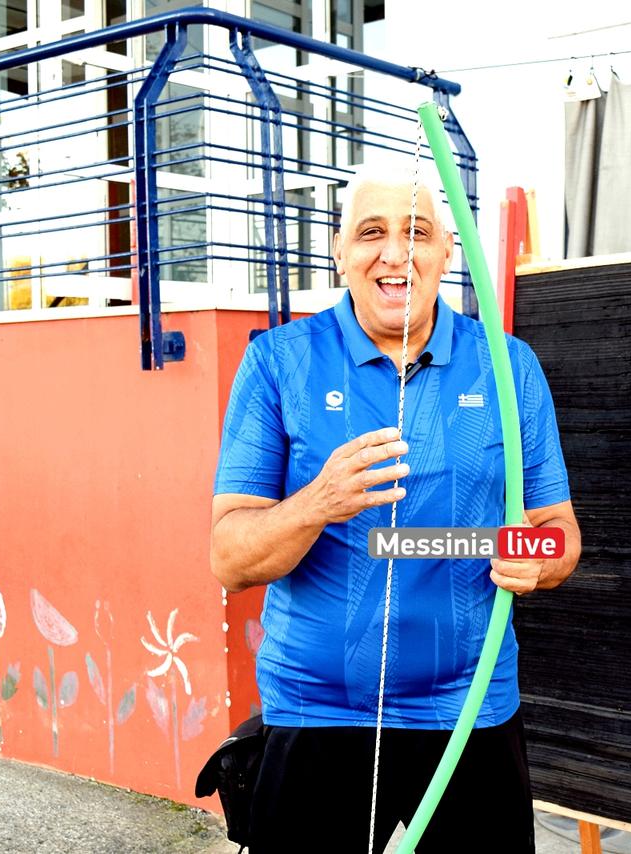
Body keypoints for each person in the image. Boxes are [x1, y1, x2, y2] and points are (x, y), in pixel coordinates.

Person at [210, 161, 581, 853]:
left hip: (470, 711)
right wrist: (317, 502)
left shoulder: (509, 365)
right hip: (316, 710)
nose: (394, 253)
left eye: (416, 232)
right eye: (370, 232)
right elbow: (229, 560)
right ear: (339, 252)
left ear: (447, 251)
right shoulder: (278, 362)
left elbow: (558, 533)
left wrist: (535, 559)